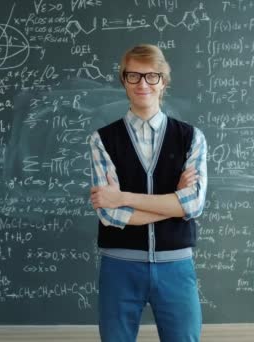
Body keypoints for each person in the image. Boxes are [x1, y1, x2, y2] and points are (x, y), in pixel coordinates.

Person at [89, 44, 208, 342]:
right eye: (134, 76)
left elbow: (193, 204)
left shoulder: (191, 138)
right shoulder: (102, 139)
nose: (143, 84)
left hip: (176, 266)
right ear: (123, 81)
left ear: (163, 81)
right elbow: (109, 213)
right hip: (119, 265)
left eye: (152, 76)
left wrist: (124, 197)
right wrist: (172, 204)